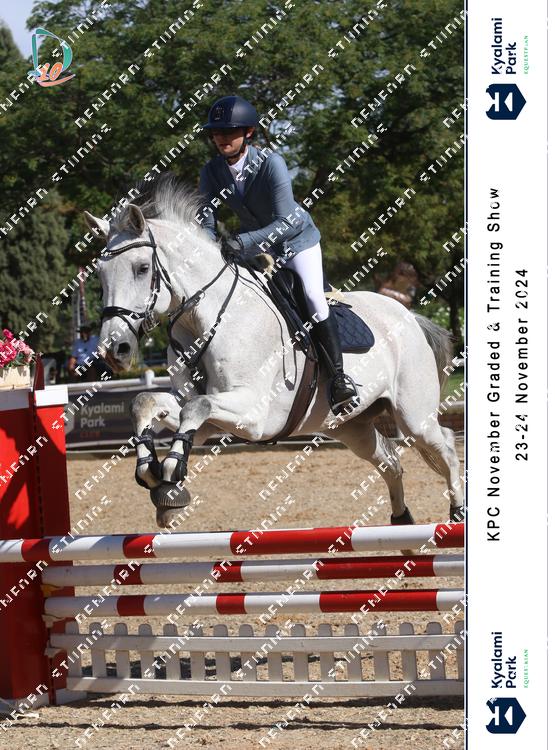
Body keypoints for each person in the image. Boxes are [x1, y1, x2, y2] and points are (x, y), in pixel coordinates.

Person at [198, 94, 359, 415]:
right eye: (216, 132)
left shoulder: (271, 163)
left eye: (229, 131)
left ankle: (340, 378)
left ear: (248, 133)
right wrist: (206, 251)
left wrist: (242, 242)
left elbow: (285, 222)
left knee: (312, 296)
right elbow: (206, 221)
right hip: (257, 248)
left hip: (296, 240)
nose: (221, 138)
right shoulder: (211, 171)